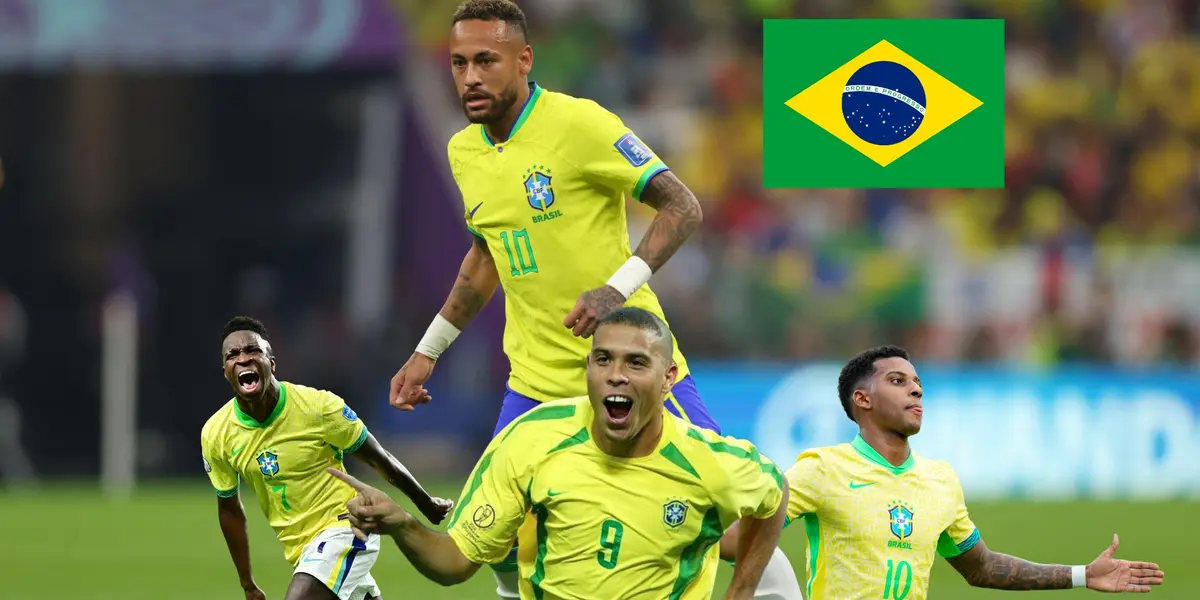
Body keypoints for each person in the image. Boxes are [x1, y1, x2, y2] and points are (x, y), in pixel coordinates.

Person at [389, 1, 800, 596]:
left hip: (631, 366)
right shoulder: (464, 153)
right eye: (458, 63)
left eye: (486, 60)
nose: (470, 77)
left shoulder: (580, 125)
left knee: (730, 525)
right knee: (502, 538)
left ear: (524, 60)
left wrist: (616, 288)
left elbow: (683, 206)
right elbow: (486, 257)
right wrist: (429, 349)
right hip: (535, 381)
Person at [333, 308, 790, 599]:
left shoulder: (707, 460)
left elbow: (773, 492)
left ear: (668, 377)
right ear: (587, 368)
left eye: (636, 363)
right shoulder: (531, 439)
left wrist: (741, 591)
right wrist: (402, 524)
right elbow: (455, 562)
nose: (616, 376)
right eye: (603, 359)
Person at [721, 345, 1167, 599]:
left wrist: (1081, 575)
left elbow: (982, 567)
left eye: (917, 383)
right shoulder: (822, 469)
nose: (915, 388)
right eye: (897, 381)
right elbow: (739, 539)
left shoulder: (941, 481)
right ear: (862, 400)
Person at [201, 316, 454, 600]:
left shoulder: (318, 407)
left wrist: (425, 502)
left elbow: (378, 458)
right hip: (302, 550)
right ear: (225, 371)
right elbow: (230, 509)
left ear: (271, 362)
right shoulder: (216, 434)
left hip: (348, 526)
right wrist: (247, 583)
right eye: (233, 355)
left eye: (253, 351)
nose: (243, 359)